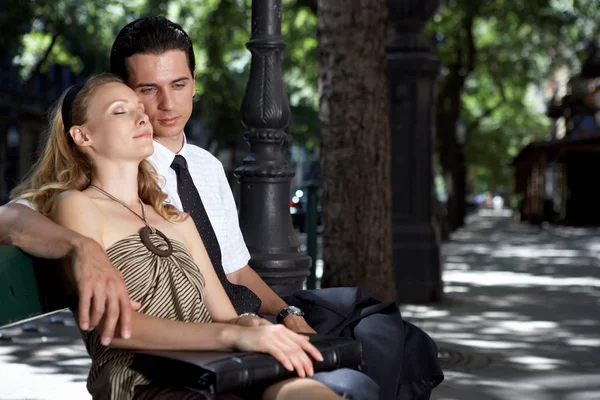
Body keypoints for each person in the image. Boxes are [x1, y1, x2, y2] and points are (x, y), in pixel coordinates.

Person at [1, 15, 442, 399]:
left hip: (226, 342)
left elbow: (231, 277)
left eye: (178, 85)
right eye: (141, 95)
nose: (159, 108)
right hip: (163, 368)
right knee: (351, 375)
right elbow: (12, 216)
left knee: (380, 333)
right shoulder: (78, 199)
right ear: (84, 135)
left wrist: (276, 318)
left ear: (195, 83)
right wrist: (79, 246)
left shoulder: (194, 182)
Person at [10, 73, 373, 400]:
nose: (143, 117)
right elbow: (116, 330)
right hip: (143, 380)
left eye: (140, 109)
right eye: (121, 112)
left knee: (314, 392)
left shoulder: (175, 218)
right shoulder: (76, 205)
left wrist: (250, 326)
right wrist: (233, 336)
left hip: (216, 368)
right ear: (82, 135)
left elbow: (226, 317)